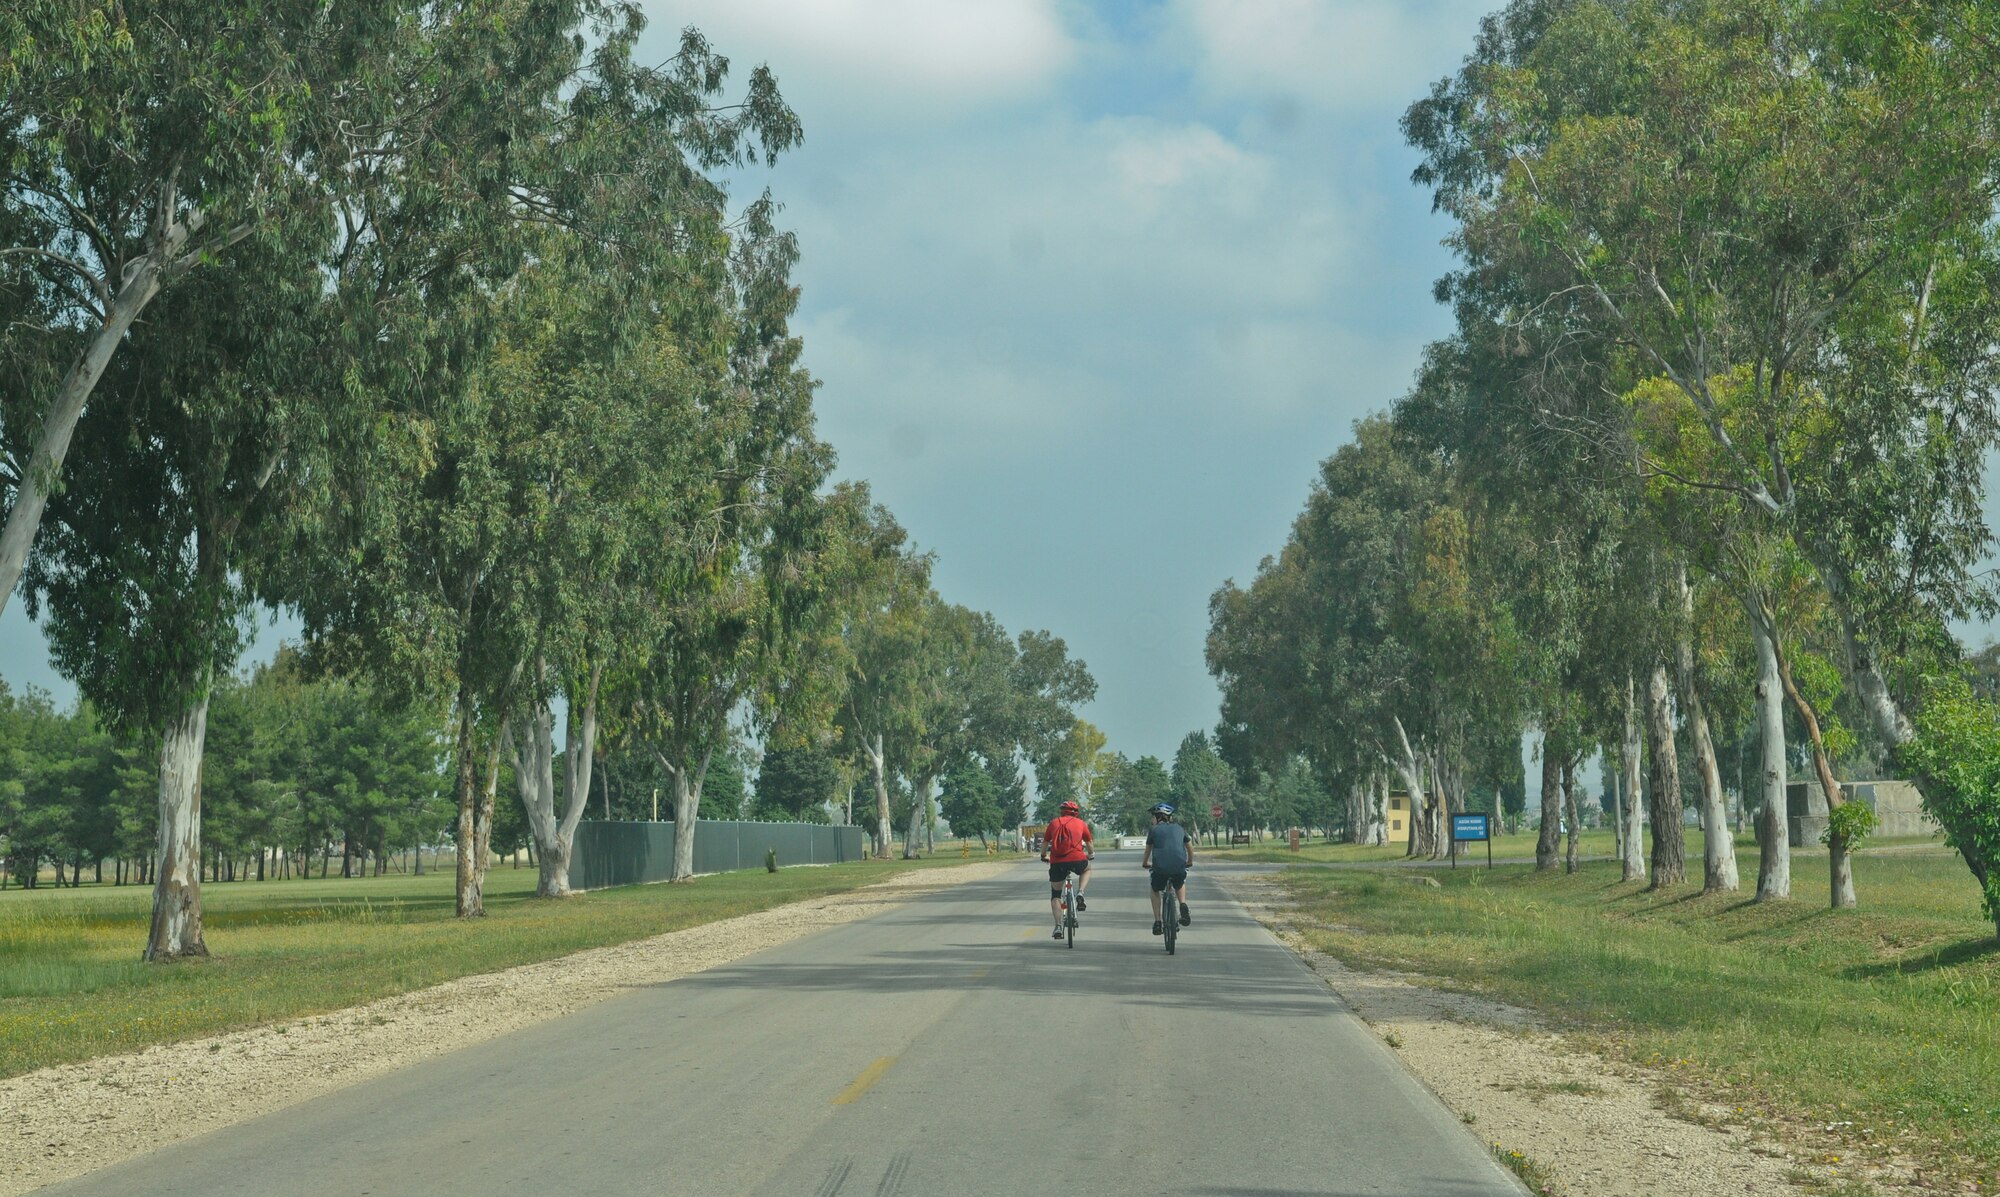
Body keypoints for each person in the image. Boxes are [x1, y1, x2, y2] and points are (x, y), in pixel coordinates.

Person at [1040, 799, 1093, 938]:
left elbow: (1045, 842)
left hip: (1057, 862)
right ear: (1076, 813)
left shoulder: (1054, 823)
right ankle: (1080, 892)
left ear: (1061, 811)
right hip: (1078, 859)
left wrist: (1043, 856)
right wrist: (1091, 854)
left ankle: (1058, 926)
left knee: (1056, 894)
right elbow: (1089, 842)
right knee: (1087, 869)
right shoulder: (1081, 824)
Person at [1140, 802, 1193, 935]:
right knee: (1180, 882)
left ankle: (1158, 922)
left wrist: (1145, 863)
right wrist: (1189, 861)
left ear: (1158, 817)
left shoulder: (1154, 830)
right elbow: (1190, 848)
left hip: (1160, 869)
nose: (1152, 820)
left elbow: (1148, 851)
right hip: (1178, 867)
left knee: (1155, 889)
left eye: (1153, 817)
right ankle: (1183, 905)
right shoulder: (1180, 829)